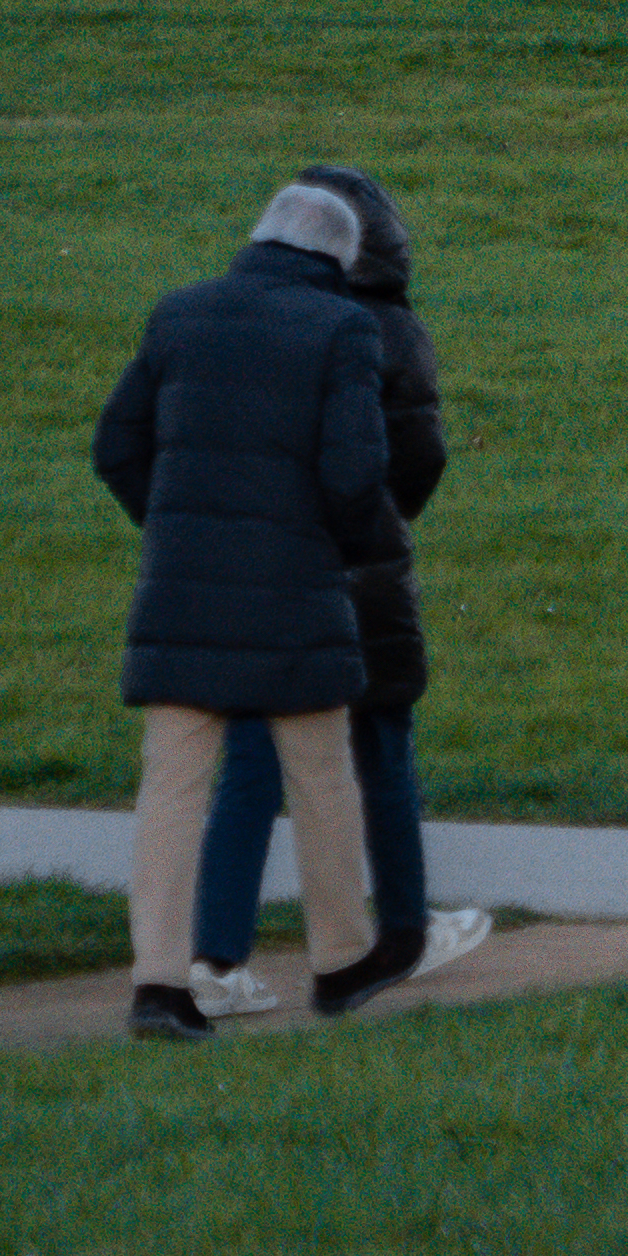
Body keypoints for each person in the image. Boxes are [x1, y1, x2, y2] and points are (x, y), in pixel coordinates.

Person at [91, 175, 395, 1037]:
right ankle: (339, 962)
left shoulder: (181, 313)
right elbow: (352, 475)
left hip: (182, 587)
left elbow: (115, 445)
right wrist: (354, 545)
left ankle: (159, 984)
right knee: (322, 772)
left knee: (174, 787)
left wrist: (181, 526)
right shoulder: (343, 327)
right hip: (294, 589)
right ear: (337, 256)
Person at [190, 160, 487, 1010]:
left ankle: (214, 960)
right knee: (383, 747)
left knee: (252, 757)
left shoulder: (257, 319)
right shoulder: (391, 330)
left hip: (263, 563)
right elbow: (420, 458)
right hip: (362, 567)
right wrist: (383, 521)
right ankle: (401, 931)